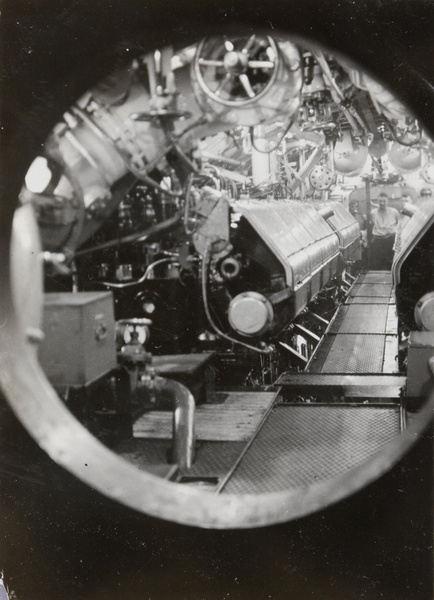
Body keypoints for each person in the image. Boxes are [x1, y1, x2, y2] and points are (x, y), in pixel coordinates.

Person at [370, 192, 400, 270]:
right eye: (380, 201)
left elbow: (399, 224)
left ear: (388, 201)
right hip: (378, 241)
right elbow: (371, 224)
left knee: (390, 261)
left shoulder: (394, 212)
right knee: (377, 262)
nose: (382, 203)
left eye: (384, 201)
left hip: (390, 240)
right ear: (378, 201)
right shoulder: (373, 213)